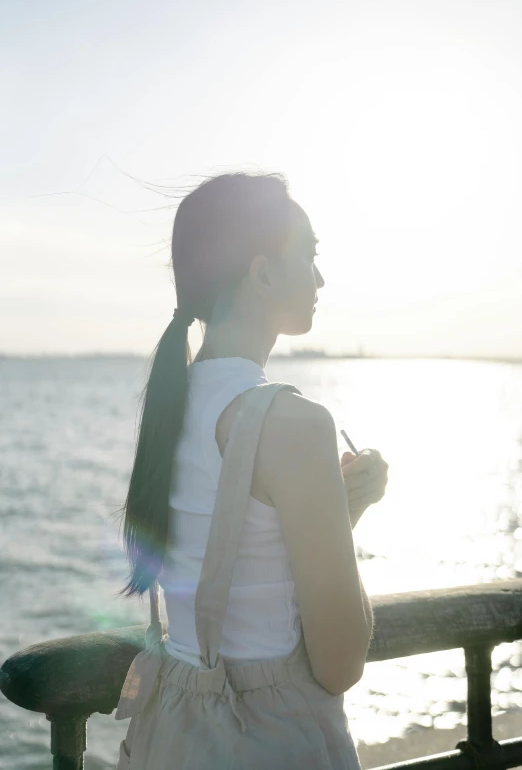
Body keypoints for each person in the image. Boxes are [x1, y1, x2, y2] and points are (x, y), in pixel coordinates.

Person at [113, 171, 388, 769]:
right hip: (267, 738)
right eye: (309, 256)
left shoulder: (173, 407)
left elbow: (234, 561)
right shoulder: (293, 424)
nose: (320, 278)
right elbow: (340, 664)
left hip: (176, 734)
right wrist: (341, 522)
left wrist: (342, 509)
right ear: (263, 273)